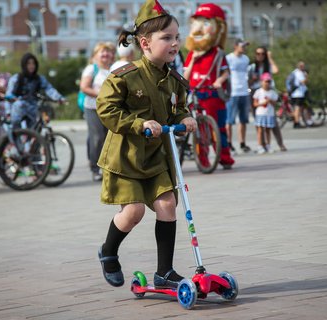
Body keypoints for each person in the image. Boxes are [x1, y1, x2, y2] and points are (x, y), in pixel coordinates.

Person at [96, 0, 197, 289]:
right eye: (166, 38)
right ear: (145, 43)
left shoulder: (175, 80)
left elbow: (177, 109)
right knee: (134, 212)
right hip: (126, 157)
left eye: (177, 37)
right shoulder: (124, 77)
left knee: (167, 205)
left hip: (157, 157)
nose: (175, 43)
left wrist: (186, 118)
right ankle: (108, 252)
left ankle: (164, 272)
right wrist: (139, 124)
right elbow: (107, 109)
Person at [183, 3, 235, 168]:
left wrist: (219, 80)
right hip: (195, 96)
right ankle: (203, 161)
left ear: (218, 28)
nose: (198, 29)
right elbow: (185, 76)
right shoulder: (191, 53)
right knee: (199, 132)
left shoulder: (218, 53)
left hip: (213, 96)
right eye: (196, 23)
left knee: (219, 129)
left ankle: (224, 158)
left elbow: (226, 72)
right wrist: (193, 59)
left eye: (206, 23)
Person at [80, 42, 116, 181]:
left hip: (110, 109)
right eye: (102, 52)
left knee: (111, 139)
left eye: (108, 52)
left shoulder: (113, 69)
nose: (106, 54)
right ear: (95, 55)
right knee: (97, 138)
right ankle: (95, 169)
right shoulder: (91, 69)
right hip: (93, 108)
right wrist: (102, 95)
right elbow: (84, 87)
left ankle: (108, 168)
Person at [6, 53, 65, 130]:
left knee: (35, 130)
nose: (31, 66)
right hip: (19, 107)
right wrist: (8, 111)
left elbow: (49, 89)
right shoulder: (16, 78)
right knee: (16, 129)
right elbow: (8, 94)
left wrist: (59, 98)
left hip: (33, 107)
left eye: (33, 63)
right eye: (28, 63)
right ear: (24, 65)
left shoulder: (39, 79)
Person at [248, 46, 287, 151]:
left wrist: (269, 58)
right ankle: (262, 144)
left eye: (262, 54)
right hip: (256, 93)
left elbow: (276, 70)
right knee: (259, 122)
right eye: (258, 54)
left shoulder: (268, 66)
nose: (260, 56)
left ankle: (280, 144)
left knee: (272, 121)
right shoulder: (252, 67)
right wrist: (252, 79)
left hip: (268, 93)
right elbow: (247, 82)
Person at [225, 38, 252, 153]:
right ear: (235, 46)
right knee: (229, 120)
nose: (244, 48)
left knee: (243, 120)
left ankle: (242, 143)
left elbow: (247, 74)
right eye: (242, 45)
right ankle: (229, 143)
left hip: (244, 92)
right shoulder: (229, 58)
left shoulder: (246, 59)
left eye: (245, 46)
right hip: (233, 92)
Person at [252, 73, 278, 154]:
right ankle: (260, 146)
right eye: (266, 81)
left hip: (269, 114)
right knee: (260, 130)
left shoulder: (272, 93)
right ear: (262, 82)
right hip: (260, 114)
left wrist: (270, 101)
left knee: (268, 130)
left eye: (269, 81)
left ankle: (268, 145)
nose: (267, 83)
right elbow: (255, 104)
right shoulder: (258, 92)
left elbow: (275, 104)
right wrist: (263, 103)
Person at [289, 61, 309, 128]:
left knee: (296, 108)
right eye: (301, 65)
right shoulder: (299, 73)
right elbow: (303, 82)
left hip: (294, 93)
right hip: (298, 93)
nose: (302, 67)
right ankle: (297, 122)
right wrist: (306, 77)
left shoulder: (294, 72)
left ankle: (296, 121)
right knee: (298, 108)